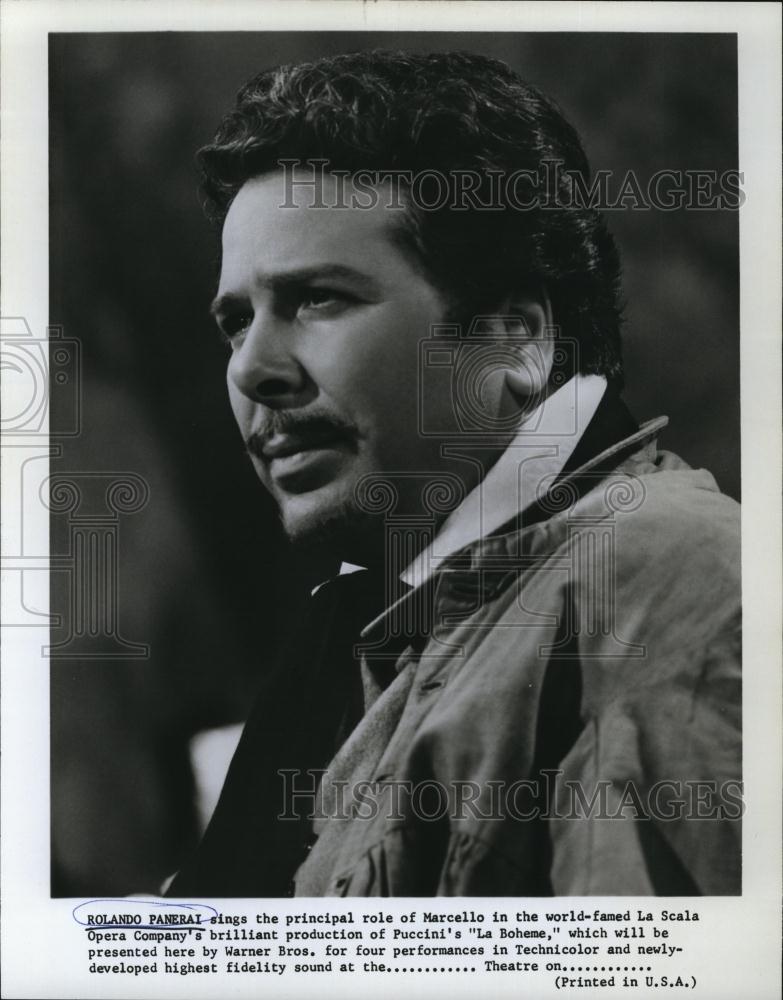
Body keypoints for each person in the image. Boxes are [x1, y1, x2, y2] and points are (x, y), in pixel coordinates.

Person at [167, 50, 741, 897]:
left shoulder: (661, 583)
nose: (253, 370)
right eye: (234, 322)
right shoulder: (371, 627)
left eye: (318, 298)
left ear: (515, 340)